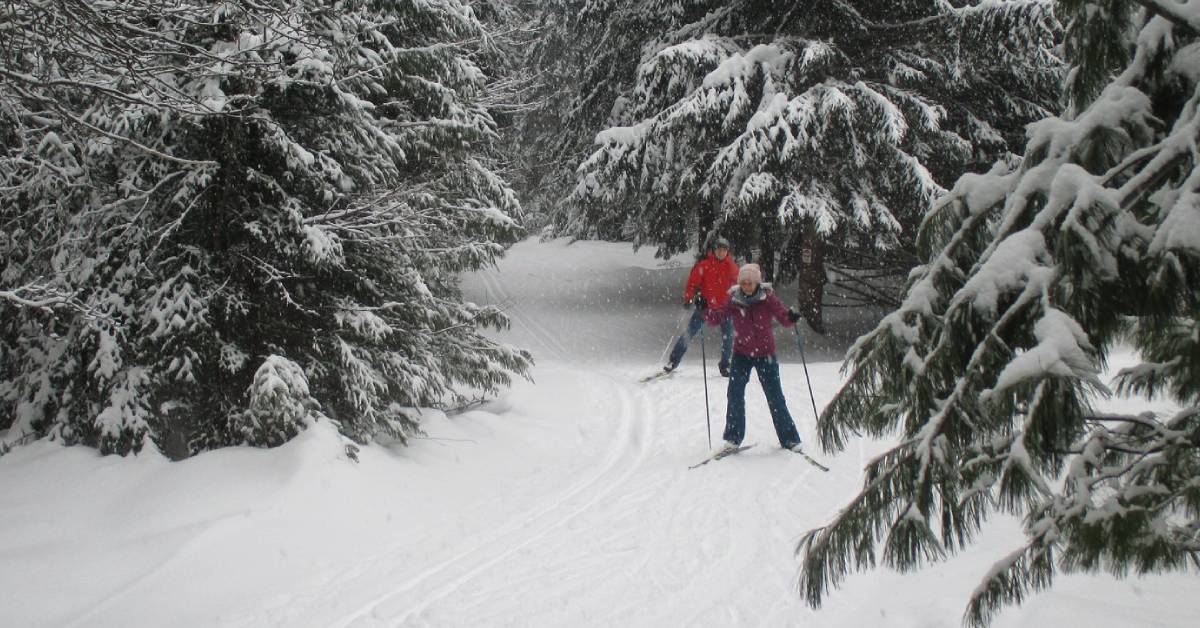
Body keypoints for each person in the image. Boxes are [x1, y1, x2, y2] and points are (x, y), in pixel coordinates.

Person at [699, 263, 805, 453]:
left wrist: (791, 317)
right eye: (743, 282)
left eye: (750, 282)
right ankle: (733, 437)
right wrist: (705, 309)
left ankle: (789, 438)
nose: (747, 285)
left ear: (757, 282)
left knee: (775, 396)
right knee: (735, 393)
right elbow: (717, 317)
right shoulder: (734, 300)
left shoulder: (767, 298)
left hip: (766, 354)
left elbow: (783, 317)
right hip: (741, 354)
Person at [665, 237, 738, 376]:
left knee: (728, 337)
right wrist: (691, 298)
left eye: (724, 250)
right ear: (714, 250)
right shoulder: (705, 265)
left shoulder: (732, 267)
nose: (721, 252)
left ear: (727, 252)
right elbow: (692, 283)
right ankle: (673, 361)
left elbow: (741, 284)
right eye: (719, 249)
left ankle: (725, 365)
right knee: (689, 332)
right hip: (706, 307)